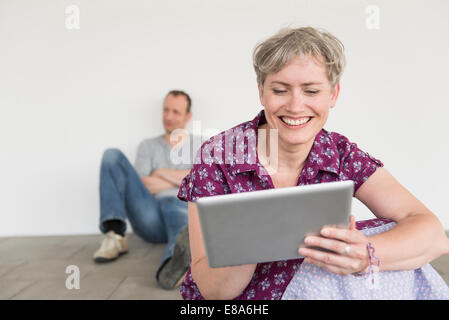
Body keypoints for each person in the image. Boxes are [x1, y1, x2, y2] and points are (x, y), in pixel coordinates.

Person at [176, 27, 449, 300]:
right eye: (280, 90)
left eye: (311, 91)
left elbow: (435, 237)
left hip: (315, 291)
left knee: (396, 244)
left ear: (333, 95)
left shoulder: (340, 154)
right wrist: (255, 237)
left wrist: (364, 255)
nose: (295, 106)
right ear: (261, 93)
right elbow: (213, 291)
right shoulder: (218, 156)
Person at [94, 90, 201, 290]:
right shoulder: (148, 146)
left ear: (188, 117)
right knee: (112, 156)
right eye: (165, 110)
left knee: (177, 207)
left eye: (175, 112)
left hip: (181, 212)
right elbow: (143, 185)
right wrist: (182, 179)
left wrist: (160, 172)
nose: (168, 117)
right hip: (149, 215)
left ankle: (174, 264)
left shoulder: (201, 144)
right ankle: (114, 236)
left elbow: (201, 181)